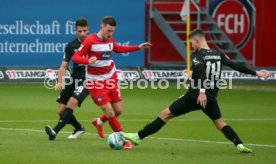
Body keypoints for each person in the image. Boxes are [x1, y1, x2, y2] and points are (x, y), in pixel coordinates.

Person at [121, 29, 270, 153]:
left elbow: (200, 71)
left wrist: (202, 91)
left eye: (191, 43)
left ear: (197, 41)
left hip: (195, 97)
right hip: (211, 98)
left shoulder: (197, 56)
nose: (191, 46)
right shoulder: (218, 54)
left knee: (165, 114)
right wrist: (257, 73)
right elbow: (235, 66)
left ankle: (138, 137)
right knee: (220, 123)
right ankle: (240, 144)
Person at [71, 16, 151, 149]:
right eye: (108, 31)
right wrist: (87, 61)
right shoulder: (90, 40)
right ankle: (124, 139)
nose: (110, 34)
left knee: (118, 110)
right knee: (109, 112)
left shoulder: (110, 39)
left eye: (113, 31)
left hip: (110, 79)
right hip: (95, 83)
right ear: (101, 27)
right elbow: (75, 57)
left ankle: (99, 121)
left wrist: (138, 47)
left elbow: (118, 48)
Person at [45, 18, 90, 140]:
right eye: (80, 31)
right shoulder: (71, 46)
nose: (82, 34)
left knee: (72, 103)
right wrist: (60, 81)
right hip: (74, 78)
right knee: (61, 110)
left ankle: (54, 132)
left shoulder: (94, 44)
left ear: (88, 30)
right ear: (75, 30)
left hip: (88, 79)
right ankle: (79, 128)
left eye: (85, 31)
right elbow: (63, 66)